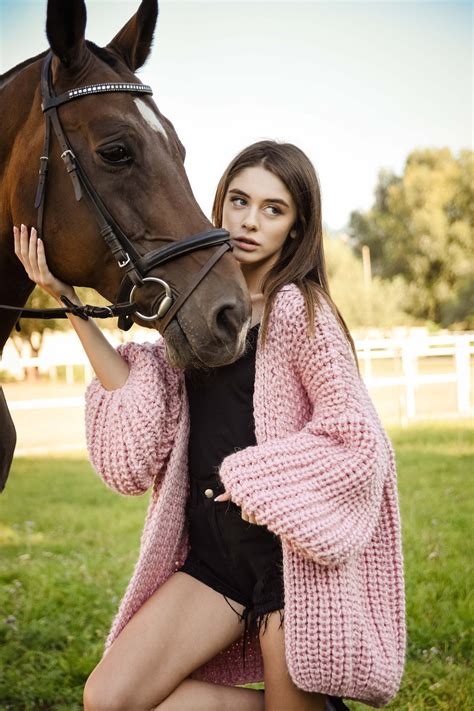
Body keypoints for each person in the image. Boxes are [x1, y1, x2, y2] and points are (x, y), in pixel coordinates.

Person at [13, 140, 406, 711]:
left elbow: (357, 440)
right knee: (109, 697)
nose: (250, 221)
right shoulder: (201, 308)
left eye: (274, 210)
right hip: (213, 556)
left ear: (296, 229)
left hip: (285, 561)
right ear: (218, 204)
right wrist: (66, 298)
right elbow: (138, 388)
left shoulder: (300, 309)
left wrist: (256, 481)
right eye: (240, 201)